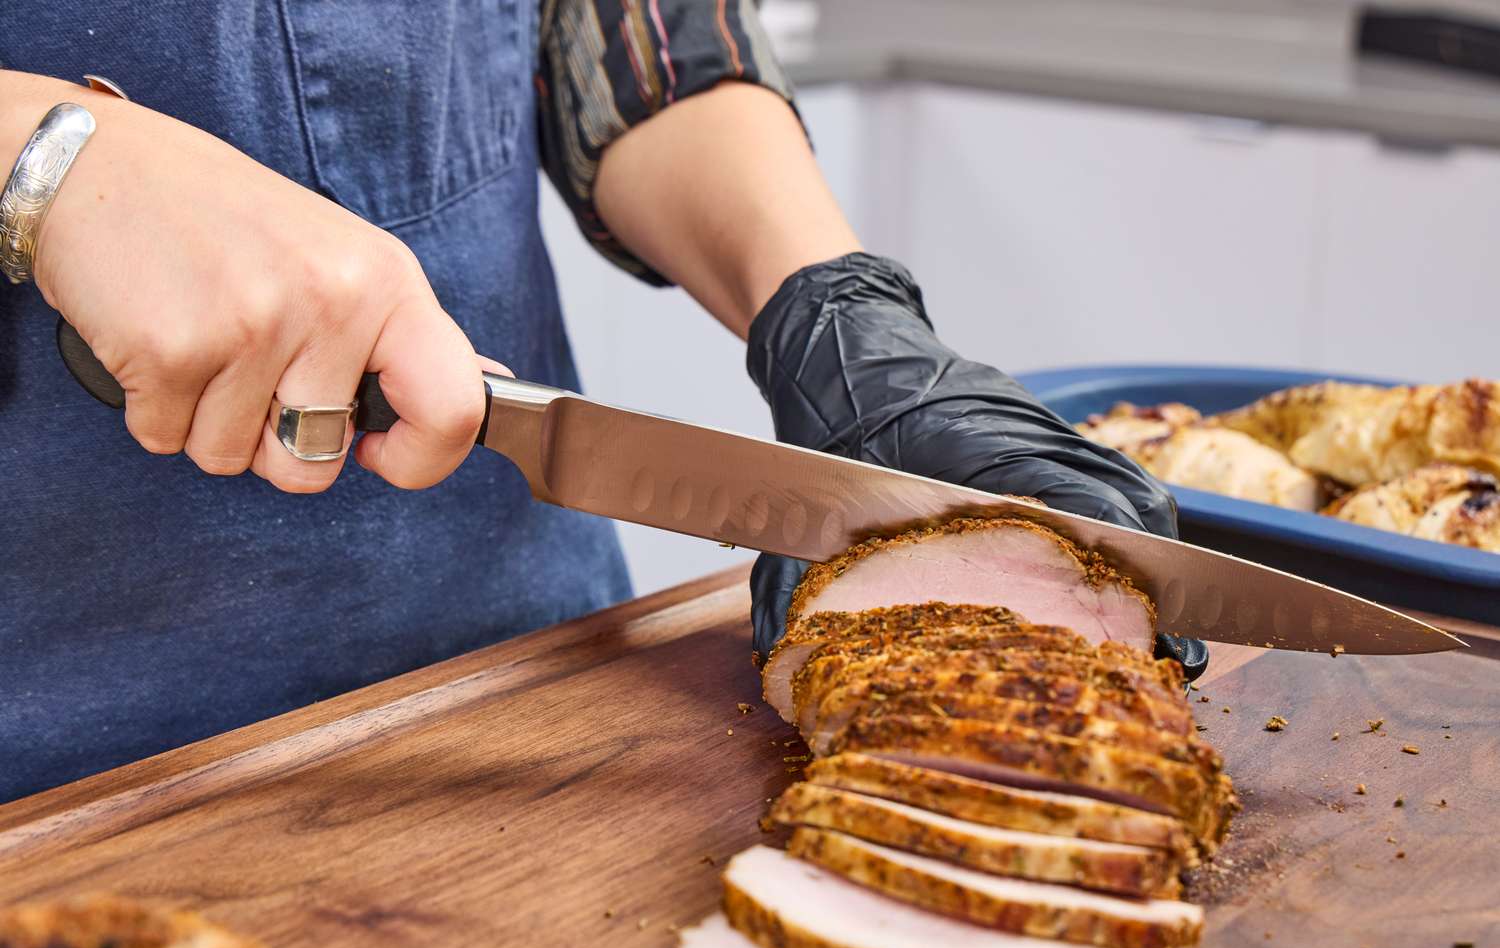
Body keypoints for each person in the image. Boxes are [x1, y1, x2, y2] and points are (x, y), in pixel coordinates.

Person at [0, 2, 1184, 805]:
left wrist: (838, 320)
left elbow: (627, 39)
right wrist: (45, 159)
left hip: (541, 674)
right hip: (56, 764)